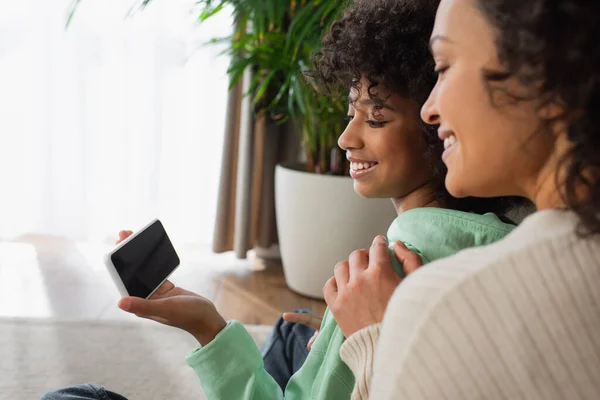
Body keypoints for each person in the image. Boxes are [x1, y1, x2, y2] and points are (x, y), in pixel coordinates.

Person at [41, 0, 523, 399]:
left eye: (375, 119)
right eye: (351, 112)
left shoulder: (392, 265)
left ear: (437, 128)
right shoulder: (505, 241)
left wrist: (208, 327)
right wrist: (332, 336)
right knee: (294, 334)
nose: (344, 139)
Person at [323, 0, 600, 398]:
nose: (430, 109)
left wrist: (377, 340)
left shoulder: (438, 299)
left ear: (549, 79)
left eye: (445, 66)